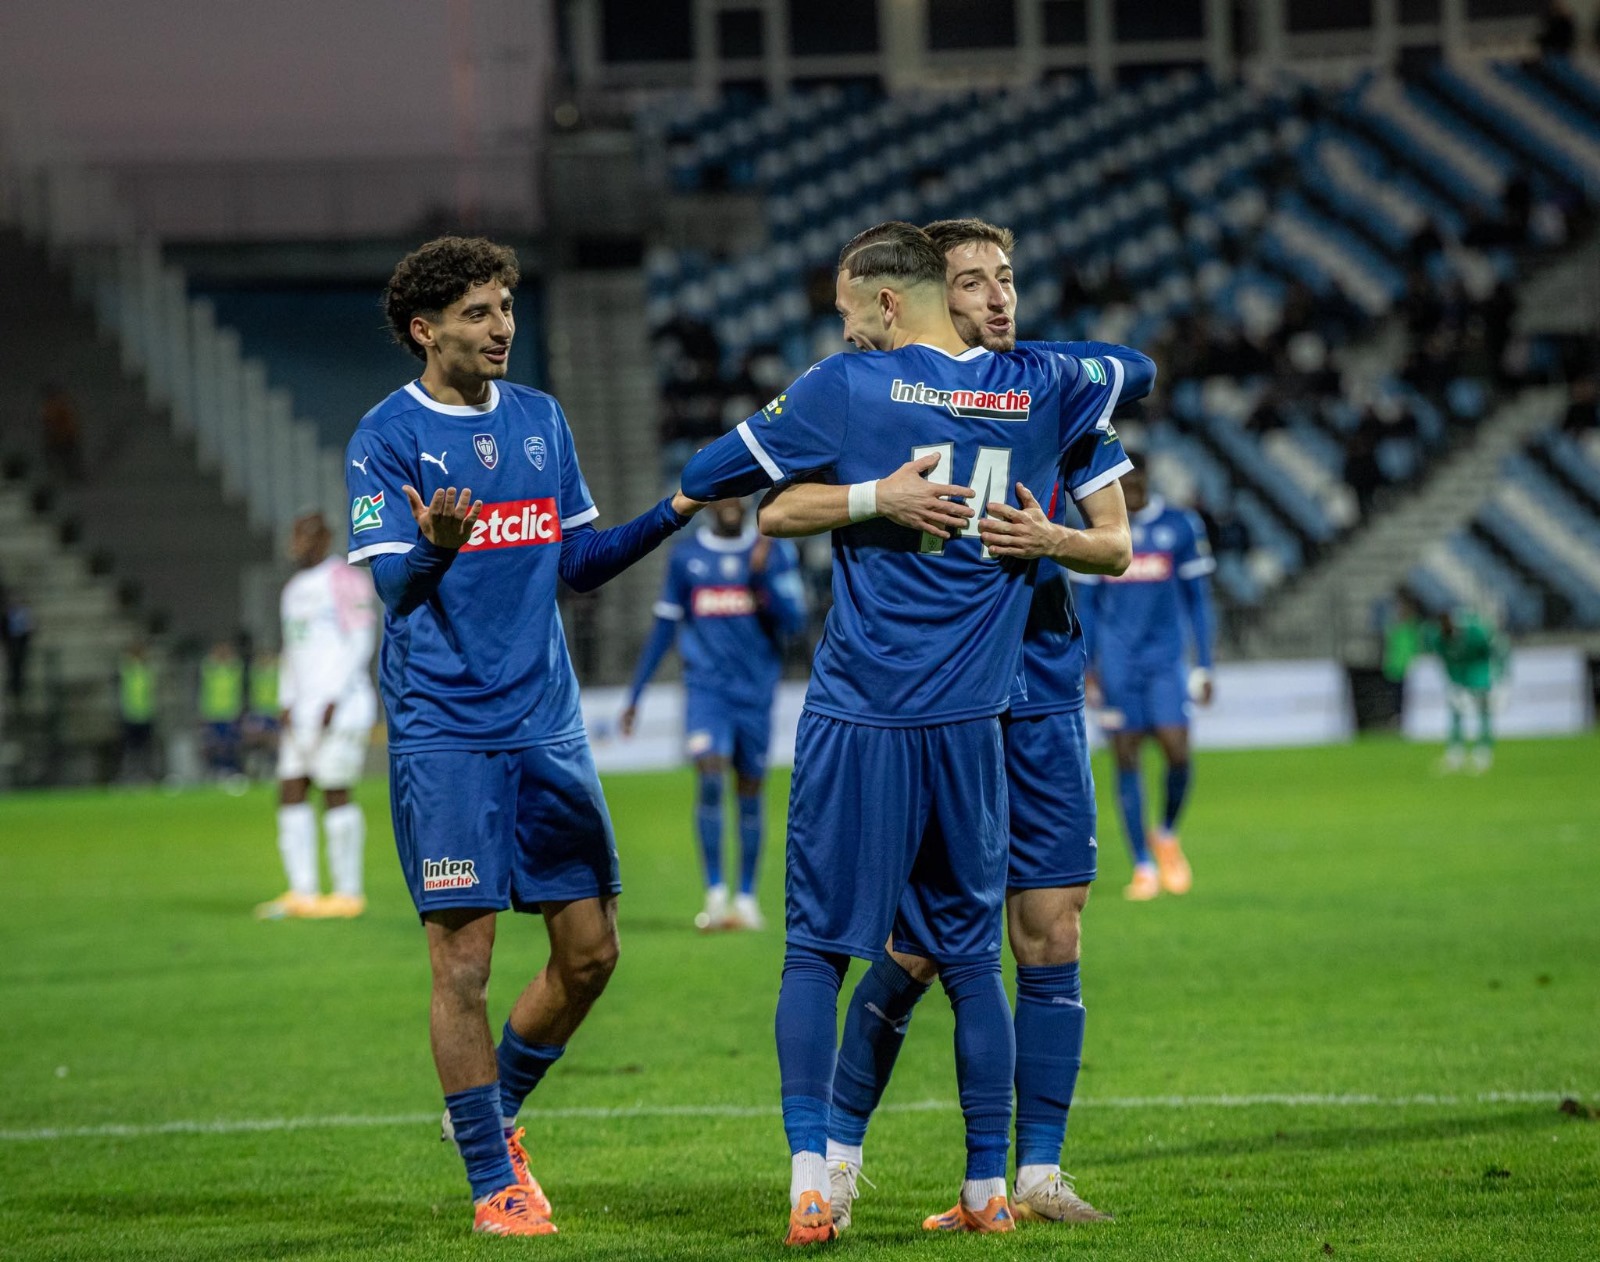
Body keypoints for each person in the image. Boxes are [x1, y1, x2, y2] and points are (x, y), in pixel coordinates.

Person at [680, 221, 1154, 1243]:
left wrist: (1051, 536)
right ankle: (842, 1155)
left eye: (1008, 279)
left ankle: (1032, 1172)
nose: (998, 298)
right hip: (943, 696)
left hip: (1034, 690)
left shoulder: (1055, 396)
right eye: (974, 282)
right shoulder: (890, 395)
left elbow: (1116, 543)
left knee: (1050, 927)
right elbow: (773, 502)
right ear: (935, 293)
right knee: (918, 949)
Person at [345, 236, 704, 1237]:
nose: (502, 325)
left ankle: (495, 1111)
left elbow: (576, 563)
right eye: (478, 312)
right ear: (426, 330)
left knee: (591, 952)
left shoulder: (541, 418)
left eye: (505, 306)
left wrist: (676, 508)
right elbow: (394, 588)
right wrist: (434, 548)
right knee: (462, 964)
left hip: (545, 722)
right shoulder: (384, 437)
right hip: (445, 729)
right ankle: (492, 1181)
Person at [621, 496, 807, 932]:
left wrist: (761, 578)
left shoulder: (772, 551)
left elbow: (795, 622)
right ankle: (716, 896)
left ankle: (746, 899)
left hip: (755, 694)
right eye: (721, 494)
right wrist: (635, 694)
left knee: (749, 790)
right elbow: (664, 628)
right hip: (707, 692)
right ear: (707, 503)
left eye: (737, 494)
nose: (730, 502)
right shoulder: (686, 557)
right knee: (709, 775)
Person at [1076, 455, 1216, 901]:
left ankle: (1166, 832)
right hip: (1118, 664)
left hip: (1166, 661)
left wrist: (1205, 663)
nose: (1131, 492)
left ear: (1148, 481)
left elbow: (1198, 599)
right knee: (1126, 756)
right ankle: (1142, 865)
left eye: (1137, 483)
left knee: (1177, 751)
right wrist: (1087, 667)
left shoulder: (1180, 525)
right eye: (1124, 484)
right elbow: (1086, 607)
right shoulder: (1099, 530)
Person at [256, 510, 380, 921]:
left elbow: (361, 640)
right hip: (302, 710)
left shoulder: (346, 578)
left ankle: (348, 893)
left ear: (324, 539)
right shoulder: (292, 590)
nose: (297, 544)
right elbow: (293, 648)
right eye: (295, 536)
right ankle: (303, 891)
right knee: (291, 788)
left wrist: (333, 697)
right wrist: (286, 698)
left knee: (334, 789)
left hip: (341, 707)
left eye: (306, 536)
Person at [1423, 608, 1507, 773]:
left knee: (1483, 710)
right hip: (1459, 675)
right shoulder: (1439, 639)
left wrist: (1496, 676)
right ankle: (1456, 752)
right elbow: (1447, 662)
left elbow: (1490, 653)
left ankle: (1483, 751)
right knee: (1456, 710)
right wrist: (1454, 684)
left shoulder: (1474, 632)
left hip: (1478, 672)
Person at [198, 638, 245, 778]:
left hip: (231, 712)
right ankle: (216, 770)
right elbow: (206, 667)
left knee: (230, 743)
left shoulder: (234, 668)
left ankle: (231, 769)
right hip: (212, 712)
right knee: (214, 744)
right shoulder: (210, 668)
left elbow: (237, 667)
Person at [116, 641, 160, 783]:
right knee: (131, 749)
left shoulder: (146, 671)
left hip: (145, 714)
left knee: (146, 748)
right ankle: (129, 775)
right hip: (130, 715)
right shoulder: (126, 670)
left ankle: (145, 775)